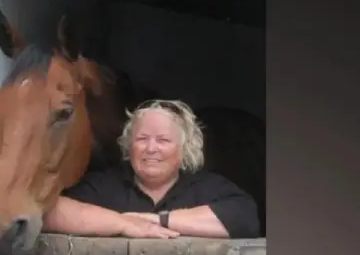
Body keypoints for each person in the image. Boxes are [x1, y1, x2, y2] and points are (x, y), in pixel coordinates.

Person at [42, 99, 260, 239]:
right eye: (142, 139)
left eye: (163, 140)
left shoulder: (206, 186)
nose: (151, 149)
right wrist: (123, 223)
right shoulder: (104, 185)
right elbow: (47, 210)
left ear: (185, 149)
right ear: (129, 146)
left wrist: (159, 220)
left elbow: (245, 218)